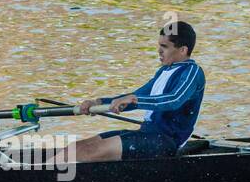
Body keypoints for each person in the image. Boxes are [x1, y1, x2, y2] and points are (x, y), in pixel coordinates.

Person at [59, 21, 204, 163]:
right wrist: (99, 102)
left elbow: (173, 100)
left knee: (88, 152)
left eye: (164, 46)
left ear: (183, 50)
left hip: (165, 141)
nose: (159, 50)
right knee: (72, 149)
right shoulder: (164, 71)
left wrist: (135, 100)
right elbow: (137, 96)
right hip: (146, 133)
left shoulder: (192, 72)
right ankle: (43, 174)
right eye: (159, 45)